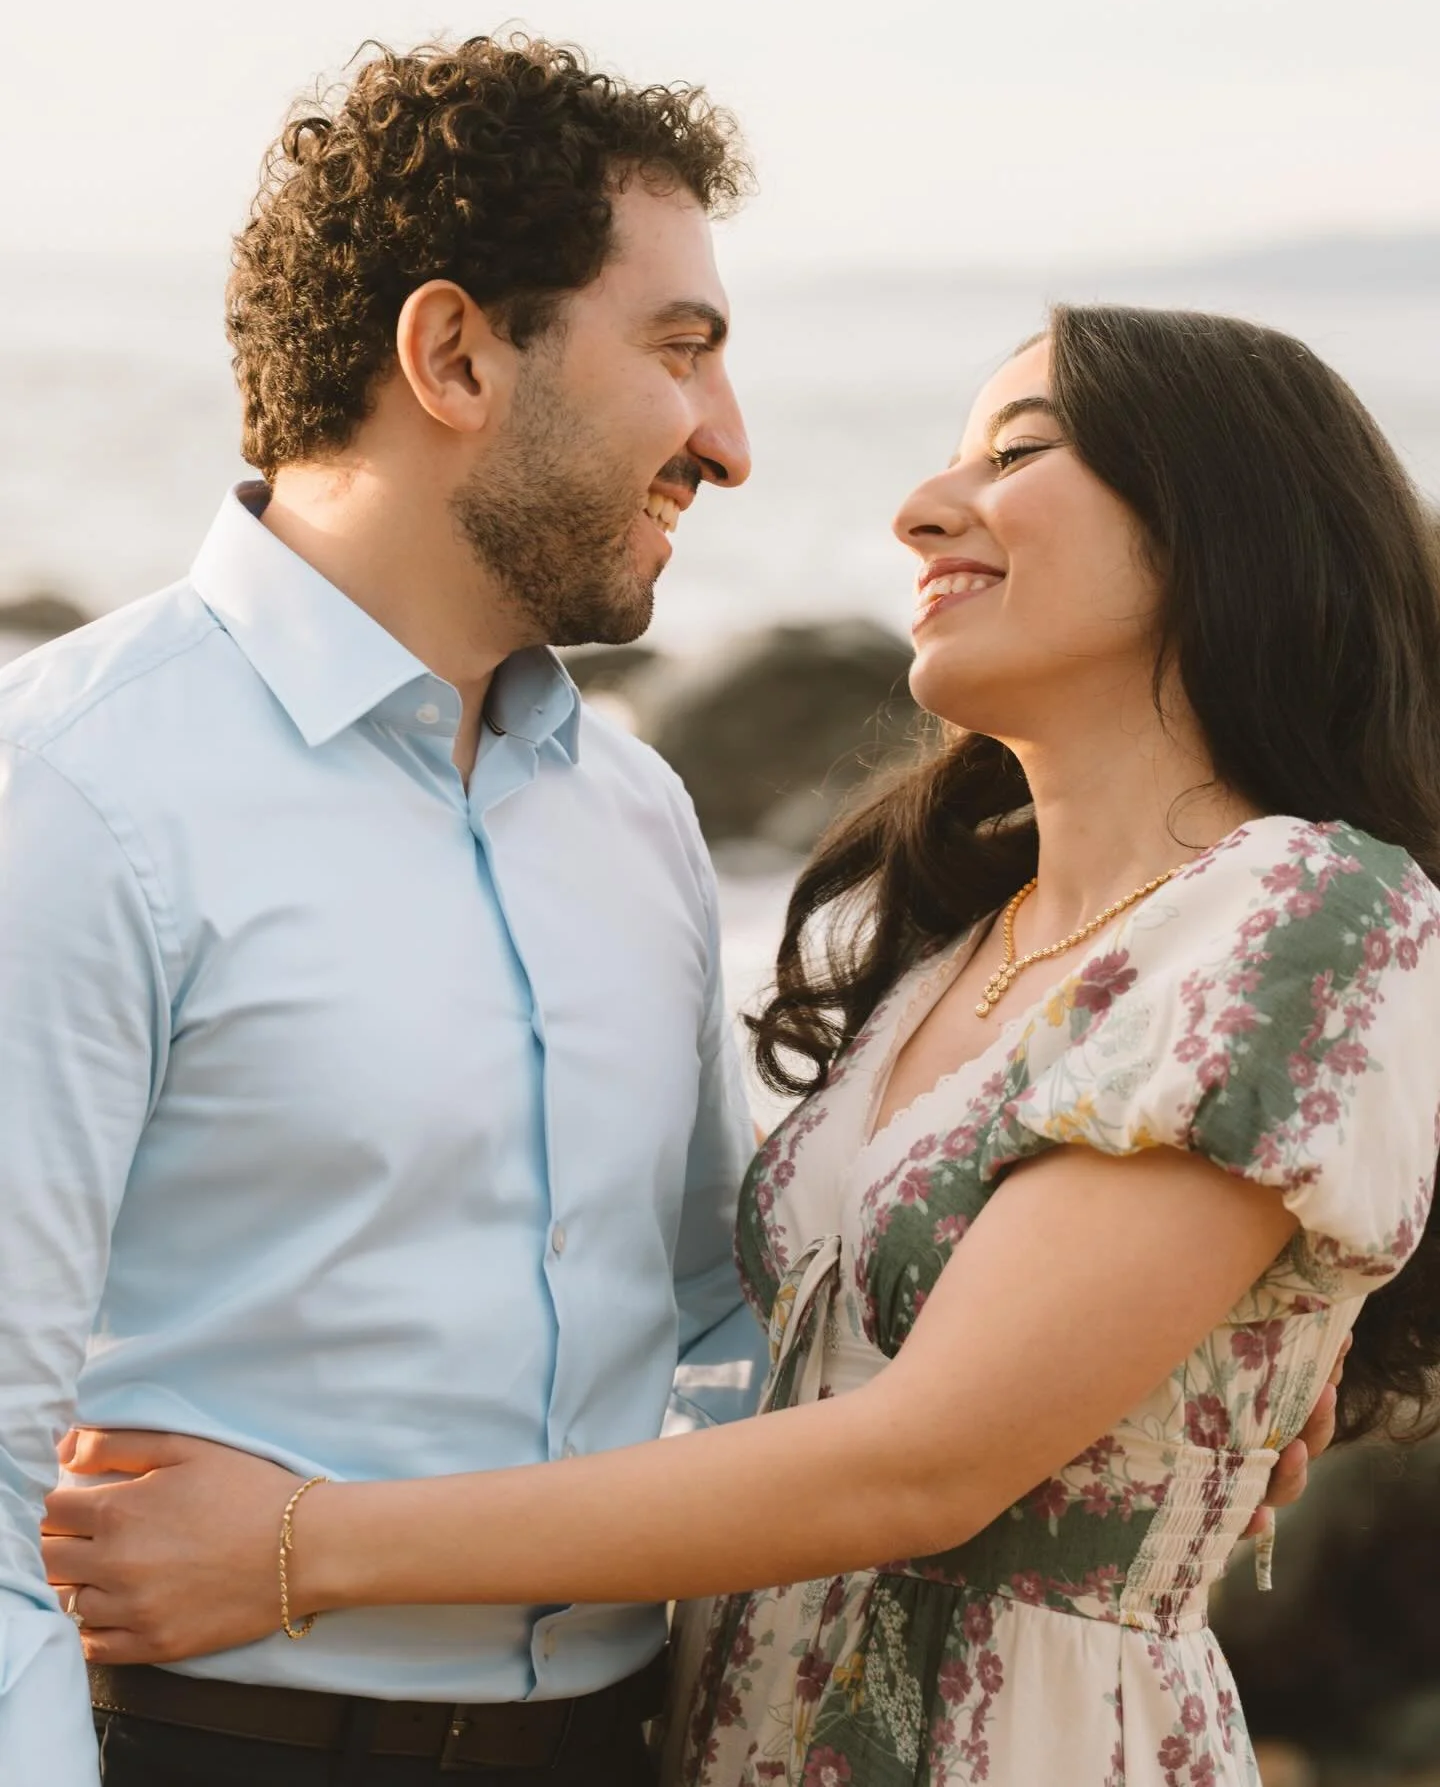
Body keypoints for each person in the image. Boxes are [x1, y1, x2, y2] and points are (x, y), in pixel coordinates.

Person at [43, 304, 1440, 1787]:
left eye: (1019, 451)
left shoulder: (1308, 909)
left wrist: (291, 1547)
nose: (918, 510)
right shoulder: (954, 951)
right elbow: (743, 1351)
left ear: (1228, 522)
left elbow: (924, 1458)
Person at [0, 34, 769, 1787]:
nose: (728, 441)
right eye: (681, 350)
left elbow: (722, 1315)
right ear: (452, 355)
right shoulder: (73, 794)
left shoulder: (640, 814)